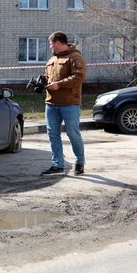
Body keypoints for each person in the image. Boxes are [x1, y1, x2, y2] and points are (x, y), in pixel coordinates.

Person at [41, 32, 86, 176]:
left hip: (69, 103)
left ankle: (79, 162)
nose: (50, 47)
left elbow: (79, 76)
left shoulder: (75, 57)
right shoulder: (51, 60)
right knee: (53, 135)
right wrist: (41, 83)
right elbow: (48, 78)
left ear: (58, 42)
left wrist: (59, 85)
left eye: (51, 44)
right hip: (51, 103)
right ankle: (57, 165)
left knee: (73, 133)